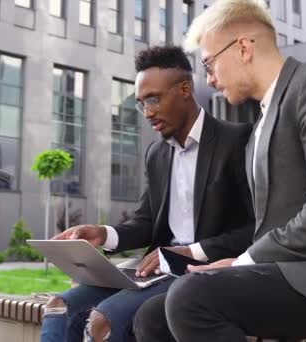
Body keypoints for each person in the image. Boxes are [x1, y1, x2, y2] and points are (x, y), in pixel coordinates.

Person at [133, 1, 306, 341]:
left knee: (189, 298)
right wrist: (239, 263)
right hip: (293, 275)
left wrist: (243, 263)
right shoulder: (258, 131)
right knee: (152, 315)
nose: (209, 78)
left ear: (242, 48)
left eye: (209, 63)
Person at [39, 45, 254, 342]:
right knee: (60, 307)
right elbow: (145, 222)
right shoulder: (156, 154)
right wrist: (103, 234)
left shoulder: (237, 140)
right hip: (155, 270)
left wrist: (190, 251)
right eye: (141, 103)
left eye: (153, 99)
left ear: (184, 89)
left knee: (104, 319)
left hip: (206, 270)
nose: (147, 112)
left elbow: (256, 228)